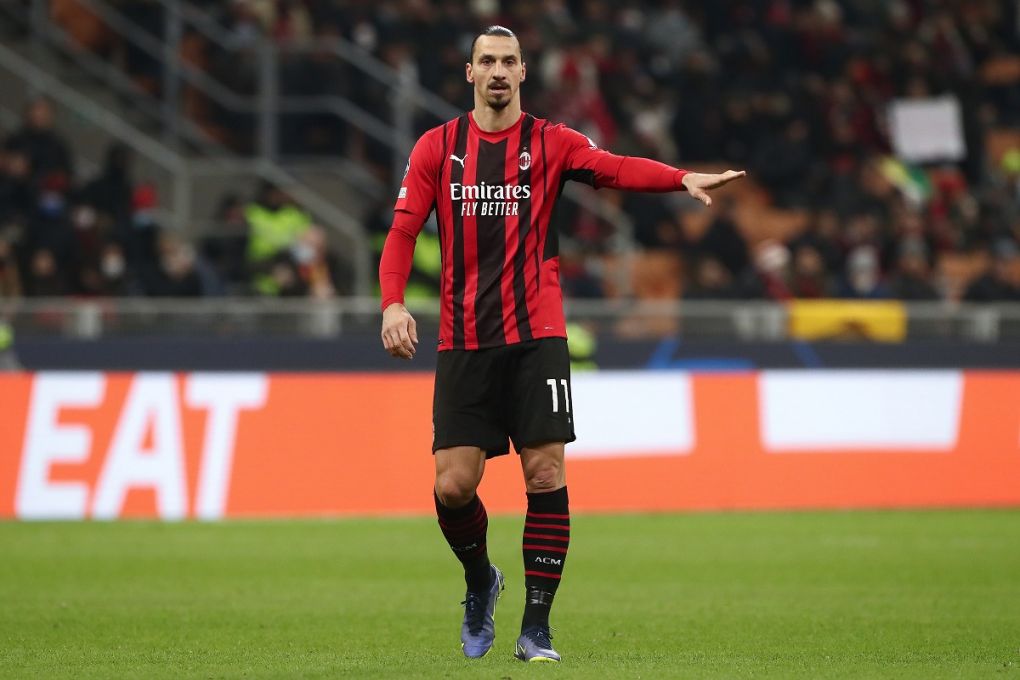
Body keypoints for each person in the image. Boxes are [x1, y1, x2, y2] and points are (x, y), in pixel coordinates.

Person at [378, 26, 745, 663]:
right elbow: (404, 230)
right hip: (463, 339)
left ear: (524, 73)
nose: (498, 71)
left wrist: (682, 178)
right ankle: (478, 580)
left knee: (544, 472)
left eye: (508, 62)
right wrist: (391, 304)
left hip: (537, 335)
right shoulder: (438, 148)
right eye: (486, 61)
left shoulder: (550, 143)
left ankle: (536, 628)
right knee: (453, 487)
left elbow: (616, 168)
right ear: (470, 74)